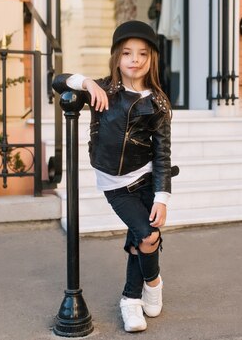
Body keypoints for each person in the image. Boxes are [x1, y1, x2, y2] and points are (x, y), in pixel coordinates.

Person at [53, 20, 172, 333]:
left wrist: (162, 196)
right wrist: (86, 83)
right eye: (127, 53)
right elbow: (57, 81)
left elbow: (162, 155)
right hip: (116, 187)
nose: (135, 59)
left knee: (143, 238)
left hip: (146, 179)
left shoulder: (157, 102)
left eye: (142, 54)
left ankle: (132, 300)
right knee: (147, 236)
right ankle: (153, 282)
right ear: (117, 57)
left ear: (151, 59)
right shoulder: (104, 91)